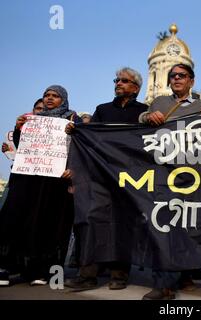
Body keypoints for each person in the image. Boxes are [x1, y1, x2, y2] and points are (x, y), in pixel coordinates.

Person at [65, 67, 148, 291]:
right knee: (93, 219)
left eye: (124, 81)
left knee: (123, 224)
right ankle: (87, 274)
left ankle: (119, 274)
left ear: (136, 88)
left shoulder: (144, 111)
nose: (118, 83)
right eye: (117, 80)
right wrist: (77, 129)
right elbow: (90, 134)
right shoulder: (102, 109)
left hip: (128, 177)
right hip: (100, 175)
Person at [140, 63, 201, 300]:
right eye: (173, 76)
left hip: (193, 176)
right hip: (164, 174)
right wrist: (147, 116)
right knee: (163, 225)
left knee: (187, 228)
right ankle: (163, 284)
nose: (177, 79)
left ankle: (185, 273)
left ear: (192, 81)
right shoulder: (160, 103)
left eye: (182, 76)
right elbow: (139, 121)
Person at [0, 85, 80, 286]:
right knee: (18, 220)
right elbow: (23, 148)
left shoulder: (72, 119)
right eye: (47, 95)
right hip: (29, 180)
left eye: (55, 96)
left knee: (49, 224)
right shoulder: (32, 119)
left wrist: (75, 135)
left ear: (64, 99)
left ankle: (47, 273)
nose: (50, 98)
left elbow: (81, 147)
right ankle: (10, 269)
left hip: (55, 183)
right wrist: (20, 129)